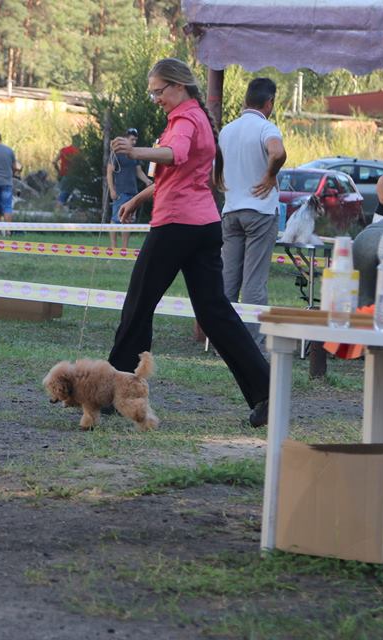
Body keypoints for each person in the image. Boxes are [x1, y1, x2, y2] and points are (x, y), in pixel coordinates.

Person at [108, 58, 270, 427]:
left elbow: (175, 155)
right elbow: (180, 175)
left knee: (138, 306)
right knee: (215, 313)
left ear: (179, 85)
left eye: (159, 91)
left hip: (176, 227)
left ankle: (115, 392)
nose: (155, 98)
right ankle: (266, 391)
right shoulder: (195, 117)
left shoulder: (184, 120)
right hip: (204, 225)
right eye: (152, 93)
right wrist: (138, 199)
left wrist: (134, 152)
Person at [218, 77, 287, 353]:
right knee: (254, 284)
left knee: (228, 280)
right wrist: (270, 174)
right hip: (260, 213)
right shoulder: (266, 127)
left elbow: (215, 166)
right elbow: (277, 152)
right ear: (269, 102)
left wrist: (220, 180)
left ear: (246, 99)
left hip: (231, 211)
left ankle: (223, 341)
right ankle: (252, 347)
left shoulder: (227, 130)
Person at [106, 127, 152, 251]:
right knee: (115, 219)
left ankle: (124, 249)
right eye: (132, 139)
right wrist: (112, 190)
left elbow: (138, 171)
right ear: (125, 138)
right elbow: (109, 172)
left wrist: (147, 181)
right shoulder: (116, 152)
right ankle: (113, 247)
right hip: (120, 192)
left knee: (128, 220)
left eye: (135, 140)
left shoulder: (134, 154)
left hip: (133, 192)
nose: (134, 142)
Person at [54, 142, 78, 211]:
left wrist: (59, 172)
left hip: (64, 175)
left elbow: (54, 162)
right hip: (75, 175)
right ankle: (70, 210)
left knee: (64, 192)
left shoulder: (63, 150)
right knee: (74, 193)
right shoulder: (78, 151)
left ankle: (57, 212)